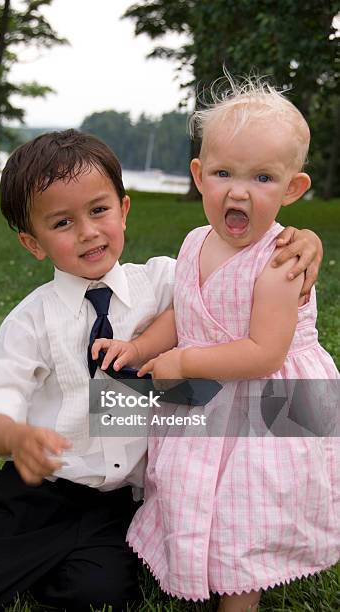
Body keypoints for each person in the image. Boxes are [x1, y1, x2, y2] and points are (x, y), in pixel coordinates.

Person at [0, 129, 323, 612]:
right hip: (40, 490)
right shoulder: (30, 320)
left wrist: (303, 239)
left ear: (124, 210)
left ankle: (44, 566)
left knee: (101, 598)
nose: (89, 232)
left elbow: (237, 270)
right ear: (33, 243)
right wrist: (12, 437)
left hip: (119, 502)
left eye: (99, 211)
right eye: (62, 222)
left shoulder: (164, 278)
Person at [92, 78, 340, 611]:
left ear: (293, 189)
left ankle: (239, 593)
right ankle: (192, 560)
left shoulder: (279, 263)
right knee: (189, 481)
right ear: (200, 176)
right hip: (209, 392)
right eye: (224, 173)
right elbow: (185, 310)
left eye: (263, 177)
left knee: (248, 501)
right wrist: (139, 350)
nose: (239, 191)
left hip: (269, 402)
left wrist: (184, 361)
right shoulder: (195, 242)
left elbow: (264, 354)